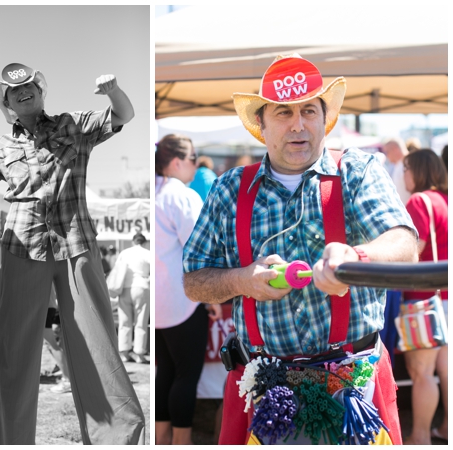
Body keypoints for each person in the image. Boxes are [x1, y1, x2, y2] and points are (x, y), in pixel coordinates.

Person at [182, 54, 418, 445]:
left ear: (324, 119)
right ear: (261, 123)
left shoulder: (357, 172)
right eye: (283, 112)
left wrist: (355, 260)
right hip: (265, 393)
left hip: (355, 390)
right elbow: (193, 281)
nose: (297, 124)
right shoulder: (228, 190)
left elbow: (404, 243)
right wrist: (243, 280)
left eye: (309, 110)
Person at [0, 62, 145, 444]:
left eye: (29, 85)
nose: (23, 91)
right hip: (20, 246)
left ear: (41, 92)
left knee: (97, 344)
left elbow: (124, 114)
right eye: (14, 90)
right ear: (8, 103)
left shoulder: (73, 124)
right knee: (13, 351)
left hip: (76, 242)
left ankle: (117, 439)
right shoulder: (3, 146)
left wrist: (112, 90)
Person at [154, 134, 219, 445]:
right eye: (194, 158)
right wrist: (211, 296)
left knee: (165, 373)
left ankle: (162, 438)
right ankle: (182, 441)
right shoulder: (180, 195)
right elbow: (199, 252)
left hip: (159, 303)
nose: (196, 164)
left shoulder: (156, 192)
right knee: (185, 376)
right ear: (177, 162)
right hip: (184, 300)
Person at [401, 149, 449, 444]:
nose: (403, 174)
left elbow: (410, 250)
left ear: (417, 171)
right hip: (445, 296)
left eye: (406, 167)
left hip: (422, 300)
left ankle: (419, 437)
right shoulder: (446, 199)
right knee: (444, 370)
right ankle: (445, 431)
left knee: (421, 374)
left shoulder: (418, 201)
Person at [114, 232, 151, 364]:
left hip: (124, 287)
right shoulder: (148, 253)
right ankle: (139, 353)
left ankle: (124, 353)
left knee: (124, 321)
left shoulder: (124, 253)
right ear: (144, 242)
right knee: (141, 322)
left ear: (133, 241)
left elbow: (116, 270)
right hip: (142, 287)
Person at [382, 136, 411, 204]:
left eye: (387, 152)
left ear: (394, 149)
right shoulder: (398, 165)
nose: (387, 156)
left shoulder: (409, 165)